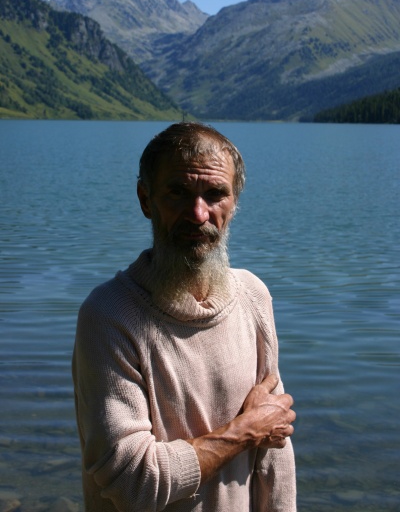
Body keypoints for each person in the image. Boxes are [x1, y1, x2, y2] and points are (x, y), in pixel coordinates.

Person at [72, 122, 296, 512]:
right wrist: (244, 431)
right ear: (146, 199)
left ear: (234, 202)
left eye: (216, 194)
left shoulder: (253, 296)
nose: (198, 213)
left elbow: (274, 449)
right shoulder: (109, 316)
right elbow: (131, 481)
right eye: (178, 193)